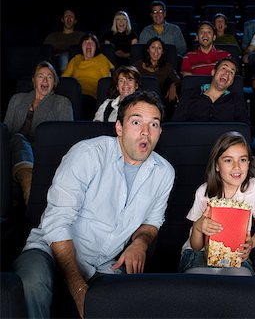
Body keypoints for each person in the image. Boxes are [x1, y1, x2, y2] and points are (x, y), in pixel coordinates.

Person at [13, 90, 175, 318]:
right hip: (50, 250)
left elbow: (152, 222)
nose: (145, 132)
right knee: (31, 283)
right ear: (119, 128)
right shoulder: (87, 154)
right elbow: (56, 224)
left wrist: (140, 243)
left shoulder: (164, 172)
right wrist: (79, 289)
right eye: (136, 122)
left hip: (105, 263)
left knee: (127, 302)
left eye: (154, 124)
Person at [179, 131, 255, 276]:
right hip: (199, 254)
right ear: (217, 165)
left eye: (242, 160)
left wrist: (252, 243)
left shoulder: (254, 188)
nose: (237, 167)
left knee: (241, 280)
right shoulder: (204, 192)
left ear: (248, 162)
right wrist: (198, 228)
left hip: (237, 253)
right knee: (198, 281)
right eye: (228, 160)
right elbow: (196, 246)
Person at [3, 61, 73, 206]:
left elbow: (66, 136)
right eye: (40, 76)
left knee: (18, 139)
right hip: (13, 147)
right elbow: (6, 130)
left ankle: (26, 184)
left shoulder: (62, 102)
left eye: (50, 77)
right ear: (34, 80)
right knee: (17, 139)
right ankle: (28, 184)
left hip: (42, 150)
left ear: (54, 82)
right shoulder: (17, 99)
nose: (45, 80)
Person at [172, 57, 249, 125]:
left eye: (232, 72)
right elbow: (176, 125)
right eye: (223, 68)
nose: (227, 73)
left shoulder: (236, 100)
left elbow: (244, 128)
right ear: (213, 72)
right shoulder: (189, 94)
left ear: (231, 81)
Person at [62, 32, 114, 120]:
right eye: (85, 43)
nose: (88, 45)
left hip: (91, 95)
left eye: (92, 43)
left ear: (96, 47)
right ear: (81, 47)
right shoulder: (75, 59)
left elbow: (106, 82)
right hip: (74, 93)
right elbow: (64, 79)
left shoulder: (102, 59)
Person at [134, 37, 181, 120]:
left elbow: (179, 81)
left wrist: (173, 85)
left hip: (158, 102)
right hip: (138, 100)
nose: (156, 51)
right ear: (148, 50)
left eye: (159, 48)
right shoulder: (137, 65)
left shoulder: (167, 66)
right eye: (153, 47)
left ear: (162, 52)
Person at [43, 8, 85, 73]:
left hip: (78, 62)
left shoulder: (81, 36)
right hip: (56, 63)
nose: (69, 18)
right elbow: (44, 52)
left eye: (71, 16)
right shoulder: (52, 37)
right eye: (66, 16)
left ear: (75, 21)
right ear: (62, 20)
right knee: (64, 57)